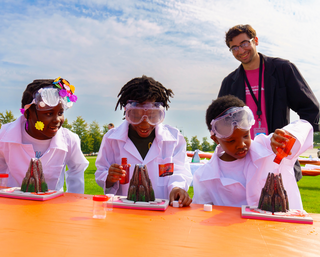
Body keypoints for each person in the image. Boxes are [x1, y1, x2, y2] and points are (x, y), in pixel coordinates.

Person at [218, 24, 319, 181]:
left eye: (244, 43)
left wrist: (292, 139)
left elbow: (311, 110)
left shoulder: (283, 69)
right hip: (244, 161)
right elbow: (219, 122)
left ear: (255, 41)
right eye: (234, 48)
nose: (241, 50)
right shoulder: (229, 82)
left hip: (279, 159)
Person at [192, 95, 313, 209]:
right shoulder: (204, 177)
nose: (241, 145)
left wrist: (287, 134)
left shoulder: (271, 148)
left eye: (245, 135)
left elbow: (304, 126)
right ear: (215, 139)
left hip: (283, 229)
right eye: (231, 141)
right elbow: (202, 215)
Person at [95, 75, 192, 206]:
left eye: (152, 116)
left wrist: (176, 187)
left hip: (162, 213)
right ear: (126, 111)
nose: (144, 123)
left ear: (161, 113)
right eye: (136, 115)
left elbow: (180, 171)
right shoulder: (111, 139)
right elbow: (101, 171)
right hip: (123, 211)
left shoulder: (174, 139)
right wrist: (109, 177)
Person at [0, 78, 89, 193]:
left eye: (60, 113)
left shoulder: (69, 139)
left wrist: (73, 201)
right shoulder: (5, 135)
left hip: (52, 207)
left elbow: (77, 170)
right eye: (48, 113)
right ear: (27, 114)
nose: (57, 120)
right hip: (15, 205)